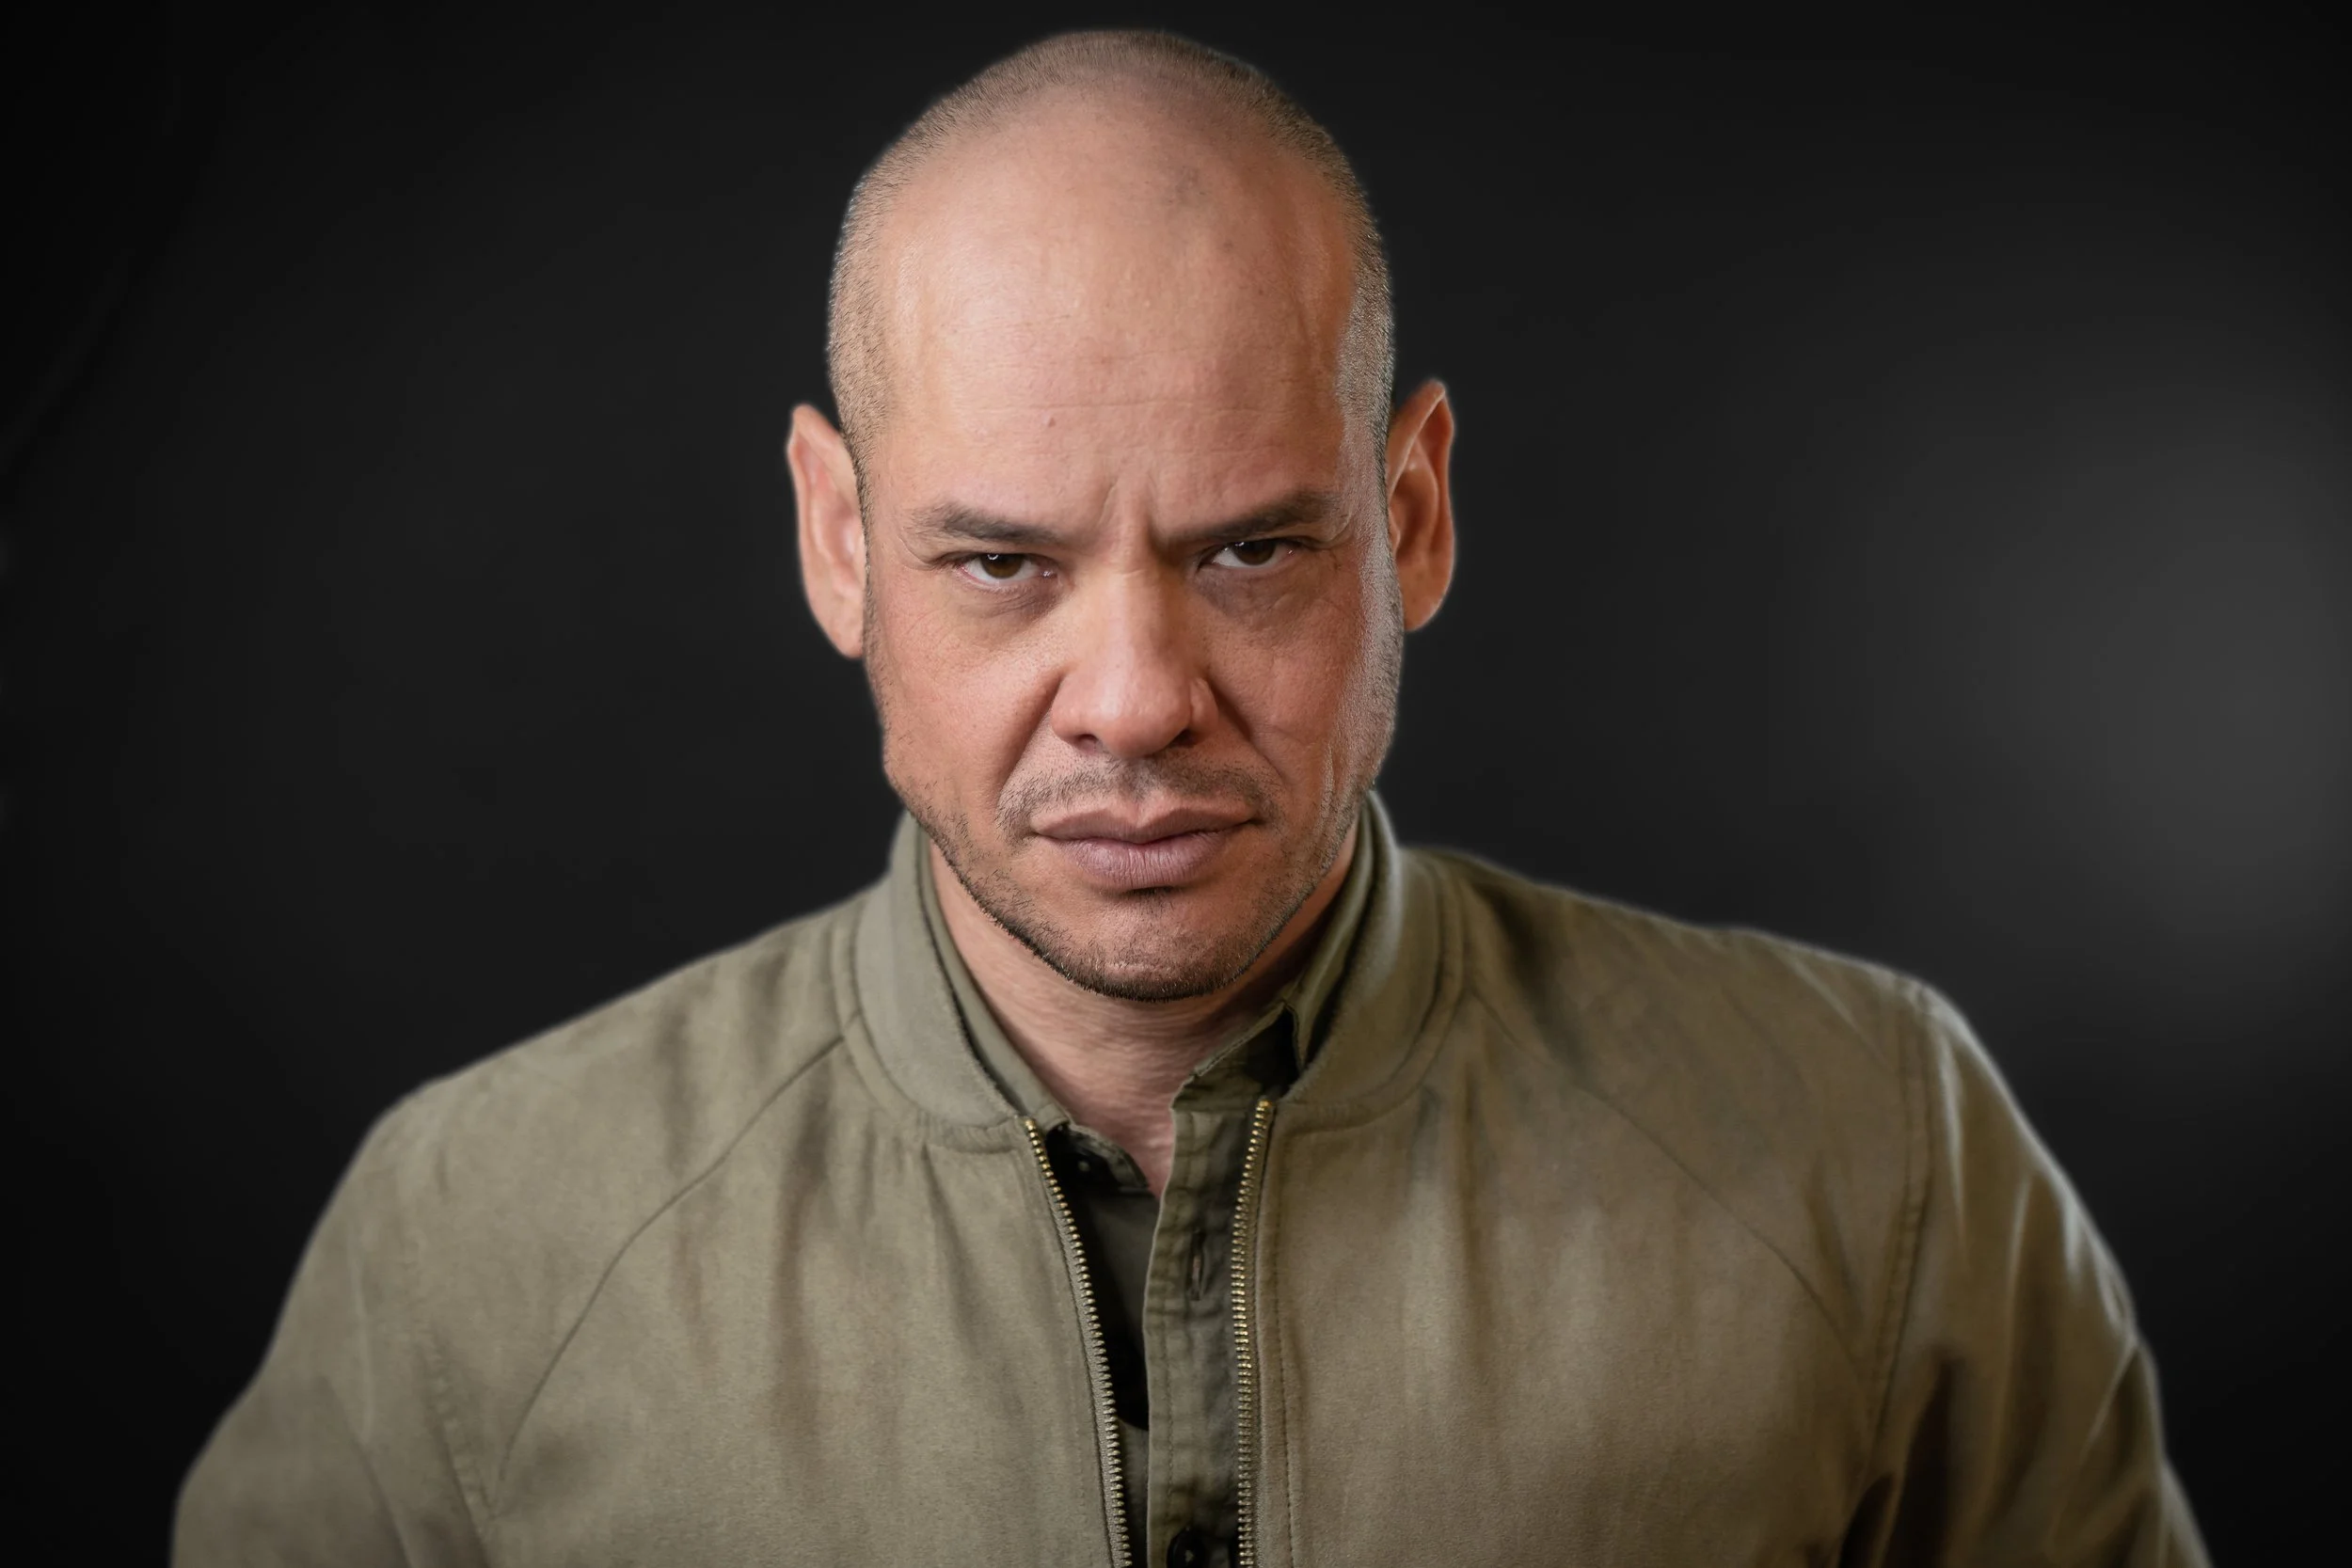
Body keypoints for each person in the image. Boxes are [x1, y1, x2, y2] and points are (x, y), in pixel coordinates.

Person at [176, 29, 2207, 1567]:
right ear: (837, 541)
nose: (1136, 699)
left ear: (1411, 515)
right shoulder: (475, 1240)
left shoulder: (1877, 1147)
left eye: (1249, 548)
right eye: (1002, 563)